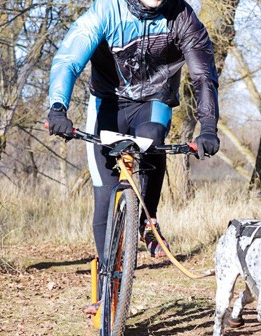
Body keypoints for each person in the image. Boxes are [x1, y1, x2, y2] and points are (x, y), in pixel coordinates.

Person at [47, 0, 220, 269]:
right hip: (107, 102)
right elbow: (69, 59)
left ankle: (147, 220)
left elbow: (203, 76)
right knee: (105, 194)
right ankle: (108, 281)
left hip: (154, 101)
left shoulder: (183, 18)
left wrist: (208, 127)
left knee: (152, 139)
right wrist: (58, 108)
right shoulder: (107, 9)